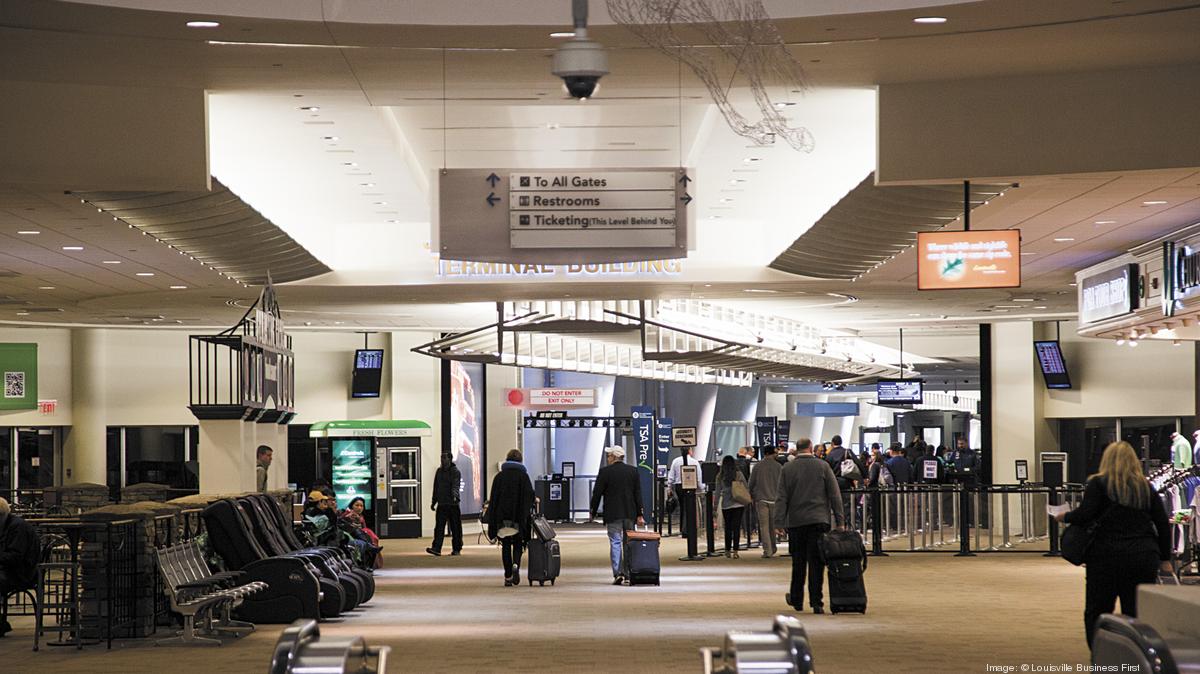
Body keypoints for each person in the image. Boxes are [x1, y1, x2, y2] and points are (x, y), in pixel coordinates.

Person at [1055, 441, 1172, 648]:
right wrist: (1165, 558)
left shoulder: (1098, 484)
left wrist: (1065, 516)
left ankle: (1100, 657)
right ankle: (1137, 658)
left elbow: (1085, 514)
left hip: (1104, 557)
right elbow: (1162, 523)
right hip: (1142, 556)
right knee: (1136, 612)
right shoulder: (1145, 487)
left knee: (1097, 611)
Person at [774, 438, 844, 614]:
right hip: (819, 521)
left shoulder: (787, 469)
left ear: (796, 449)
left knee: (798, 562)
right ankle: (817, 602)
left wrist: (778, 522)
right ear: (811, 448)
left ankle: (797, 599)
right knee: (817, 562)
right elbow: (835, 495)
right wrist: (840, 520)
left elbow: (781, 497)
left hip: (796, 522)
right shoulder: (823, 466)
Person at [589, 446, 645, 585]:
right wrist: (639, 514)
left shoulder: (605, 472)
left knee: (615, 542)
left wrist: (593, 511)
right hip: (629, 513)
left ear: (614, 457)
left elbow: (597, 493)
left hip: (613, 513)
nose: (607, 458)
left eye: (609, 456)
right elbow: (637, 494)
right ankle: (628, 573)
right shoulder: (633, 471)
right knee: (628, 543)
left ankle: (617, 573)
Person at [487, 449, 535, 587]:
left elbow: (493, 499)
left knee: (506, 544)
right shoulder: (523, 477)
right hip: (518, 518)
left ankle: (508, 575)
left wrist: (492, 519)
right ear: (520, 461)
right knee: (518, 544)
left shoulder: (499, 477)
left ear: (507, 460)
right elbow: (529, 496)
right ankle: (516, 565)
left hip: (502, 518)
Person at [0, 497, 38, 638]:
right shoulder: (11, 525)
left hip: (21, 574)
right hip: (14, 571)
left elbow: (15, 557)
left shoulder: (17, 528)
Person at [749, 444, 783, 558]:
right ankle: (773, 547)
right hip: (775, 500)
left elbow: (751, 483)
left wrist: (752, 495)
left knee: (764, 526)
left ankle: (767, 550)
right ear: (770, 453)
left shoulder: (758, 466)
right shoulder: (779, 467)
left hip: (761, 499)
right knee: (773, 526)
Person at [427, 451, 464, 557]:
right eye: (441, 458)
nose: (442, 460)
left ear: (450, 459)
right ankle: (436, 548)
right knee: (439, 527)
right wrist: (434, 501)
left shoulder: (455, 471)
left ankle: (457, 548)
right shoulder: (439, 471)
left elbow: (455, 485)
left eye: (444, 458)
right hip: (442, 503)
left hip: (453, 504)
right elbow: (436, 487)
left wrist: (454, 496)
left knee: (455, 528)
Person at [717, 455, 749, 558]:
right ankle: (735, 551)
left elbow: (717, 492)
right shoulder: (738, 474)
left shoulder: (720, 476)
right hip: (738, 503)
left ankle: (727, 550)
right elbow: (746, 486)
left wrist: (714, 506)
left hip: (726, 504)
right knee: (736, 528)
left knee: (728, 528)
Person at [667, 446, 703, 537]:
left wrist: (669, 488)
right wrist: (701, 489)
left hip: (679, 486)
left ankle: (682, 529)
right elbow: (698, 478)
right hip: (691, 485)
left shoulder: (675, 461)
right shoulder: (694, 462)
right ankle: (687, 530)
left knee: (683, 507)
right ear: (689, 451)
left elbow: (671, 477)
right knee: (689, 507)